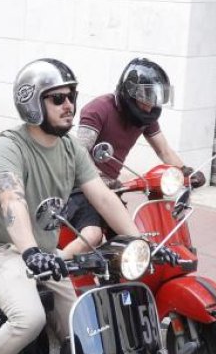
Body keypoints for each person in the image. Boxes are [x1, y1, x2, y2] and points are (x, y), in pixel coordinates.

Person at [0, 58, 141, 354]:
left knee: (84, 325)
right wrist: (29, 250)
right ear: (32, 102)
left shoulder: (70, 149)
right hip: (3, 253)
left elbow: (103, 199)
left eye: (72, 96)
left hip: (47, 257)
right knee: (30, 319)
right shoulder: (8, 146)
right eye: (57, 98)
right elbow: (12, 200)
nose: (69, 105)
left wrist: (140, 241)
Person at [67, 58, 203, 250]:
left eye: (155, 97)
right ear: (128, 92)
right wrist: (99, 178)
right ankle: (57, 269)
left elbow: (163, 150)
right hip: (82, 186)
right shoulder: (98, 109)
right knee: (93, 236)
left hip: (112, 190)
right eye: (146, 96)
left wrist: (187, 172)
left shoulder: (144, 118)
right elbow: (79, 153)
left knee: (130, 242)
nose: (151, 104)